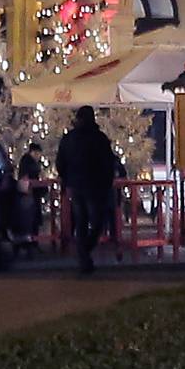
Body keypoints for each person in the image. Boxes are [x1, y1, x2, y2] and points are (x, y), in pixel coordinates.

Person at [55, 106, 121, 276]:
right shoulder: (99, 139)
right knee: (97, 221)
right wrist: (106, 182)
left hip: (76, 186)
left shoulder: (69, 139)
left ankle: (83, 254)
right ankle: (84, 252)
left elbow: (60, 163)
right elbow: (108, 163)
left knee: (81, 221)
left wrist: (66, 180)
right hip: (94, 186)